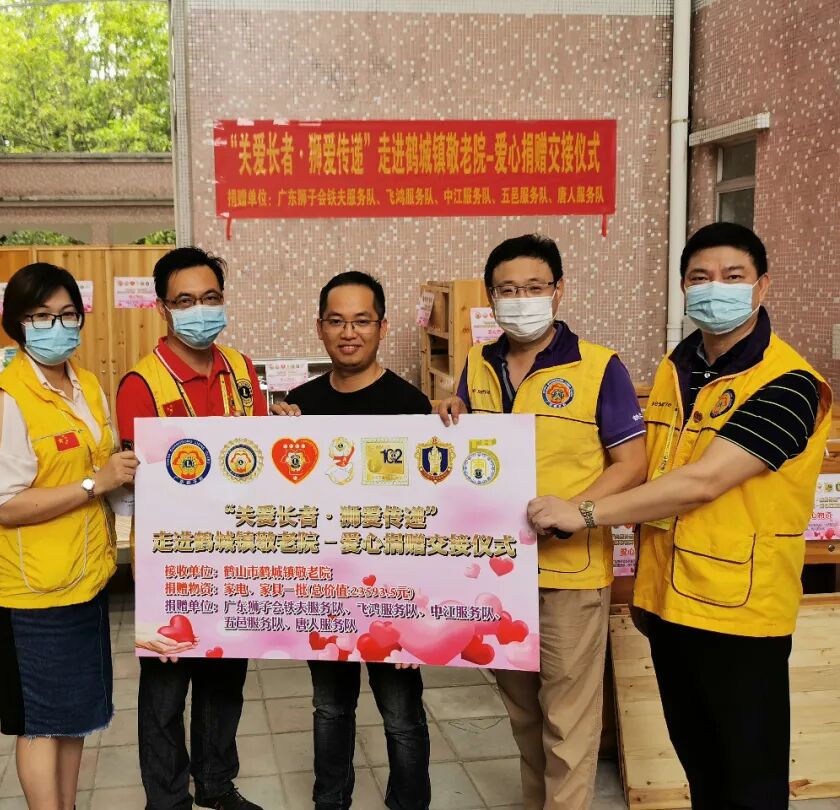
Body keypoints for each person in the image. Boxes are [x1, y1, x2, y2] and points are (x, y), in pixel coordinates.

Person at [528, 222, 832, 810]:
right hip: (670, 601)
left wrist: (584, 511)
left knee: (750, 779)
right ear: (684, 287)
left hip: (740, 611)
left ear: (762, 286)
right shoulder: (678, 367)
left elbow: (702, 481)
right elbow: (654, 463)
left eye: (732, 276)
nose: (715, 288)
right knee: (701, 763)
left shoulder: (789, 384)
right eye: (700, 277)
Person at [438, 234, 647, 810]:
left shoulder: (599, 367)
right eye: (508, 290)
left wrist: (578, 509)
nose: (521, 299)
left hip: (569, 572)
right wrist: (450, 412)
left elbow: (632, 463)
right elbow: (472, 448)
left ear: (558, 291)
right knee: (523, 712)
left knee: (567, 718)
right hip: (498, 572)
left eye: (534, 287)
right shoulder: (479, 363)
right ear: (491, 297)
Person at [0, 262, 137, 810]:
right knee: (41, 723)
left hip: (85, 578)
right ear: (17, 323)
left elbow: (103, 463)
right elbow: (5, 507)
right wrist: (95, 483)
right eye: (41, 316)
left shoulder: (85, 385)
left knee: (72, 717)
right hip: (32, 593)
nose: (57, 326)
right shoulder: (4, 400)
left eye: (67, 314)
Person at [272, 271, 433, 810]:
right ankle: (330, 801)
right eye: (337, 321)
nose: (349, 333)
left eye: (362, 321)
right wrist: (271, 434)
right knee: (330, 708)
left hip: (393, 595)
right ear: (319, 328)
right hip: (325, 593)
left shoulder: (411, 405)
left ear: (382, 327)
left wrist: (417, 615)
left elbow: (433, 519)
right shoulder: (299, 406)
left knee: (401, 715)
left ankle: (408, 803)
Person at [116, 246, 267, 810]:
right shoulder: (143, 383)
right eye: (185, 301)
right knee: (166, 689)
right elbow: (138, 482)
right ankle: (167, 798)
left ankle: (217, 784)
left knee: (225, 678)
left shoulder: (242, 371)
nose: (199, 310)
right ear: (162, 307)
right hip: (174, 563)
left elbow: (258, 454)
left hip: (236, 552)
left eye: (210, 298)